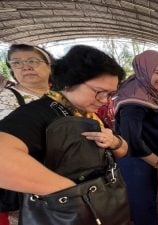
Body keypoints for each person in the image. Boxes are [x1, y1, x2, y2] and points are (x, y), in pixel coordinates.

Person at [0, 45, 129, 224]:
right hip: (62, 216)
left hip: (100, 209)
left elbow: (123, 151)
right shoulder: (37, 113)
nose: (105, 100)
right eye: (99, 91)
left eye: (110, 94)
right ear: (70, 81)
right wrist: (74, 195)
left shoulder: (88, 113)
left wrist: (115, 141)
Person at [114, 50, 158, 225]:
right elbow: (132, 140)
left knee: (148, 201)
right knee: (143, 207)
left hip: (145, 158)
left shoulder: (146, 91)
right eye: (157, 73)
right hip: (135, 161)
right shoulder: (133, 99)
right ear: (144, 70)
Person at [0, 44, 53, 225]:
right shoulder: (7, 99)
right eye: (17, 63)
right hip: (28, 184)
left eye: (32, 61)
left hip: (62, 178)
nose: (25, 67)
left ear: (49, 65)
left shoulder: (60, 95)